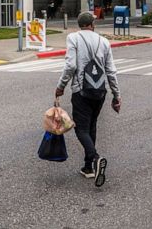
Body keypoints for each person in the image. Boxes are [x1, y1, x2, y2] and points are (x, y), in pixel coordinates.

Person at [55, 11, 121, 186]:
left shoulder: (73, 38)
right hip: (100, 92)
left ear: (80, 24)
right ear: (92, 24)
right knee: (91, 126)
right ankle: (88, 168)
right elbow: (111, 71)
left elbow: (70, 65)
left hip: (81, 91)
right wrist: (116, 96)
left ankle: (95, 158)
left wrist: (61, 86)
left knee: (80, 129)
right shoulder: (104, 42)